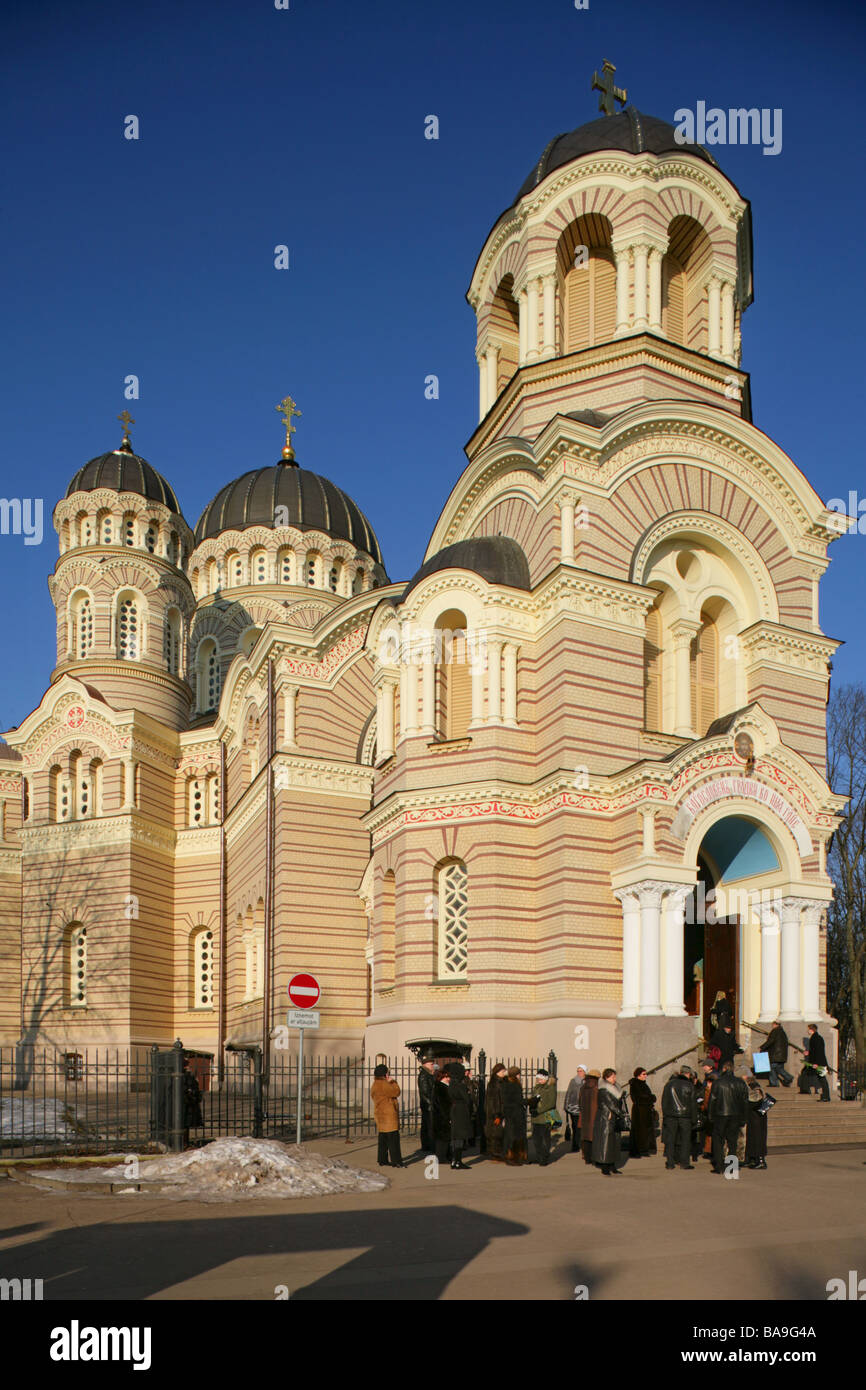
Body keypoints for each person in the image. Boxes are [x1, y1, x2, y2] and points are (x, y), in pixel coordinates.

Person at [707, 1061, 749, 1173]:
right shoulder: (740, 1082)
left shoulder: (718, 1082)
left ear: (724, 1069)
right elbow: (745, 1101)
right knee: (732, 1141)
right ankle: (732, 1166)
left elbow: (712, 1100)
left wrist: (710, 1115)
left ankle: (719, 1166)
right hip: (735, 1114)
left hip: (721, 1114)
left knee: (718, 1140)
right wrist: (744, 1117)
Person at [661, 1066, 697, 1170]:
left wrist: (665, 1115)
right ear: (688, 1074)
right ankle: (684, 1163)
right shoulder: (689, 1085)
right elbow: (693, 1104)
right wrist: (694, 1119)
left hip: (671, 1116)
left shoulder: (669, 1084)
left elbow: (664, 1101)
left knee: (671, 1139)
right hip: (685, 1116)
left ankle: (670, 1163)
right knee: (685, 1140)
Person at [592, 1068, 626, 1175]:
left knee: (614, 1142)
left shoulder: (615, 1088)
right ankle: (605, 1166)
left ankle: (612, 1165)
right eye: (612, 1076)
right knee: (606, 1143)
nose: (614, 1078)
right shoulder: (604, 1089)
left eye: (615, 1076)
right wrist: (621, 1114)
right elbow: (611, 1104)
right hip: (606, 1118)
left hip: (612, 1118)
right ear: (606, 1077)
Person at [371, 1064, 406, 1167]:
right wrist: (392, 1082)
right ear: (385, 1074)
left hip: (380, 1113)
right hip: (388, 1115)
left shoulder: (375, 1084)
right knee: (393, 1139)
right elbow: (396, 1092)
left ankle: (382, 1160)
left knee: (383, 1139)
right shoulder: (384, 1084)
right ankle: (397, 1161)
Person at [443, 1062, 472, 1169]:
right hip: (461, 1111)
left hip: (454, 1110)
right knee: (460, 1137)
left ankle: (454, 1161)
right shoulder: (460, 1085)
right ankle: (458, 1161)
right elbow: (467, 1100)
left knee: (455, 1137)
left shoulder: (451, 1084)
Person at [528, 1068, 558, 1166]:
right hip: (536, 1117)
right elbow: (534, 1099)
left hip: (545, 1117)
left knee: (544, 1138)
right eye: (537, 1079)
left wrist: (539, 1110)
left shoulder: (550, 1088)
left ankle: (544, 1157)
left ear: (545, 1078)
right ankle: (539, 1156)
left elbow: (551, 1103)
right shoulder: (537, 1088)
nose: (538, 1080)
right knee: (536, 1139)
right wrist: (531, 1107)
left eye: (540, 1079)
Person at [628, 1066, 657, 1157]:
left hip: (645, 1111)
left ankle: (645, 1149)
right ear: (638, 1075)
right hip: (639, 1111)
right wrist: (651, 1098)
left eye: (646, 1074)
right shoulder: (635, 1084)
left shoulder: (643, 1084)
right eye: (643, 1074)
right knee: (639, 1131)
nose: (645, 1076)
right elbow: (639, 1097)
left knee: (646, 1130)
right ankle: (639, 1150)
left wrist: (650, 1098)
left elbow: (647, 1096)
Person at [502, 1066, 527, 1166]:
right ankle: (513, 1157)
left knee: (510, 1136)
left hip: (509, 1113)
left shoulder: (505, 1084)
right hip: (516, 1114)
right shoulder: (515, 1085)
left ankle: (509, 1156)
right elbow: (519, 1100)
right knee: (515, 1136)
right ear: (516, 1075)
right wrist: (530, 1101)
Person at [694, 1060, 716, 1162]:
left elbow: (707, 1094)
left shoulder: (713, 1077)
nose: (703, 1067)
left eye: (705, 1066)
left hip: (710, 1108)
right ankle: (708, 1150)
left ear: (710, 1066)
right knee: (708, 1132)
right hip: (707, 1108)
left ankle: (710, 1151)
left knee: (710, 1132)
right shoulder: (708, 1076)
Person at [485, 1063, 508, 1162]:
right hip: (496, 1113)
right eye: (502, 1071)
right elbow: (493, 1100)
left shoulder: (502, 1082)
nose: (504, 1073)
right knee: (495, 1134)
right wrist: (496, 1114)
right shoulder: (494, 1084)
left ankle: (499, 1153)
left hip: (502, 1111)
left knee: (500, 1133)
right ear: (497, 1072)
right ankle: (495, 1154)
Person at [744, 1081, 769, 1169]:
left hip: (756, 1122)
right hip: (756, 1122)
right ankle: (753, 1159)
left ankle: (760, 1160)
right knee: (754, 1140)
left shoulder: (755, 1099)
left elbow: (751, 1105)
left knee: (757, 1140)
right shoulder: (761, 1099)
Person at [578, 1070, 600, 1165]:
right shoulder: (597, 1087)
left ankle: (587, 1157)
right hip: (595, 1115)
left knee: (585, 1137)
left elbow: (579, 1102)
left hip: (585, 1116)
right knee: (595, 1137)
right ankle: (595, 1158)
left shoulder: (583, 1087)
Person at [764, 1021, 794, 1088]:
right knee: (778, 1068)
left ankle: (787, 1078)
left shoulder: (775, 1031)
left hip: (775, 1054)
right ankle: (775, 1083)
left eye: (772, 1024)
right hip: (781, 1055)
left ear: (775, 1024)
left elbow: (770, 1041)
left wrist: (762, 1047)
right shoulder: (782, 1032)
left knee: (773, 1068)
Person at [806, 1024, 831, 1102]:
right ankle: (826, 1096)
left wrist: (815, 1063)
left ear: (811, 1029)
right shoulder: (818, 1038)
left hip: (818, 1062)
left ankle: (826, 1096)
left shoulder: (815, 1038)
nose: (807, 1031)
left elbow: (817, 1052)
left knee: (822, 1079)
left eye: (808, 1029)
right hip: (820, 1062)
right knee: (821, 1079)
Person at [182, 1057, 203, 1149]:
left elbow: (195, 1089)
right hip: (187, 1103)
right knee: (185, 1124)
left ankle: (184, 1142)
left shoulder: (188, 1076)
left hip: (187, 1103)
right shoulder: (187, 1076)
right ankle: (184, 1142)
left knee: (185, 1124)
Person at [417, 1054, 437, 1153]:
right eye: (431, 1064)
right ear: (425, 1065)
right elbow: (425, 1091)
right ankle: (430, 1145)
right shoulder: (424, 1075)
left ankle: (427, 1145)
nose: (433, 1065)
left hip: (428, 1104)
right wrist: (431, 1102)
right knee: (429, 1126)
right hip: (428, 1105)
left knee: (427, 1125)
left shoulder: (429, 1074)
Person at [432, 1069, 452, 1163]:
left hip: (443, 1115)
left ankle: (445, 1156)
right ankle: (441, 1157)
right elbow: (443, 1104)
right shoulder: (441, 1087)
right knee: (442, 1138)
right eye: (447, 1077)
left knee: (445, 1138)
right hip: (442, 1116)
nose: (449, 1078)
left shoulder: (443, 1086)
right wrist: (447, 1117)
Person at [564, 1066, 586, 1153]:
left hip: (584, 1108)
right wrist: (566, 1105)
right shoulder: (573, 1081)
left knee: (583, 1127)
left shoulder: (587, 1081)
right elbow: (569, 1092)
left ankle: (583, 1145)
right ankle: (575, 1146)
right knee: (575, 1127)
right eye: (578, 1071)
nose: (579, 1072)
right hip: (574, 1107)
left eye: (581, 1071)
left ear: (585, 1071)